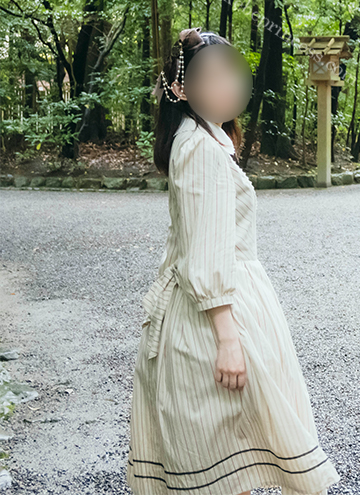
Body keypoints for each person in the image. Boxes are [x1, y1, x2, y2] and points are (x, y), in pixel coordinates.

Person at [128, 27, 340, 495]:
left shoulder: (204, 138)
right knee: (223, 461)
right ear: (182, 89)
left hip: (221, 301)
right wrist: (228, 339)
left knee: (231, 458)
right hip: (214, 314)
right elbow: (204, 250)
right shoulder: (200, 149)